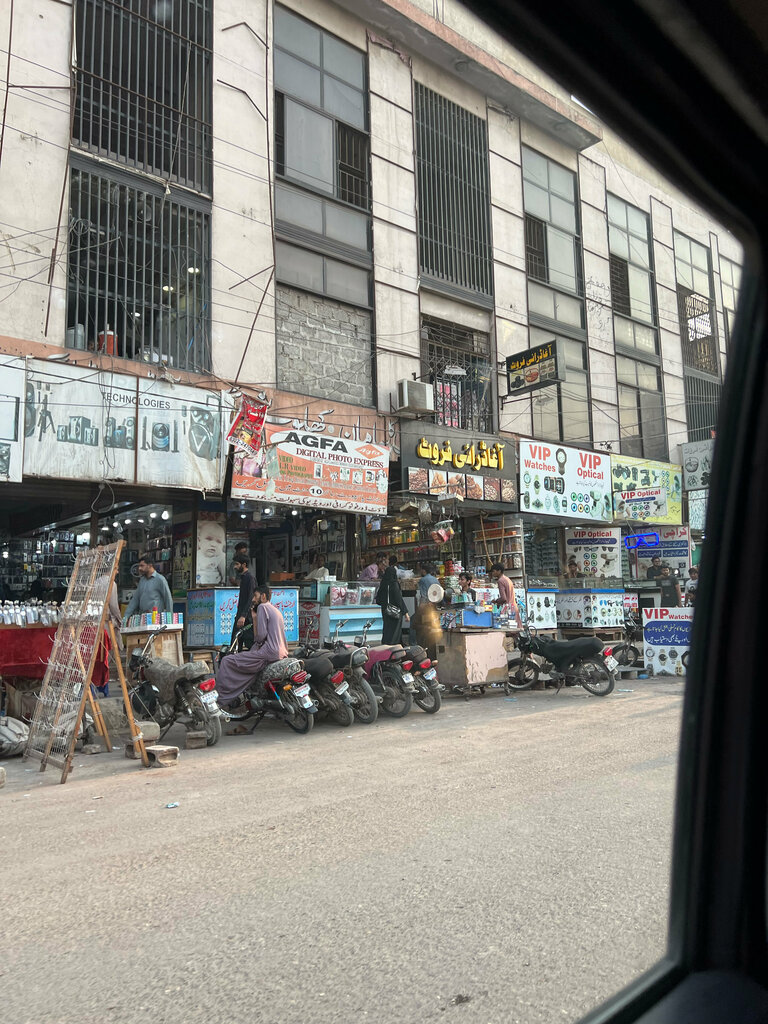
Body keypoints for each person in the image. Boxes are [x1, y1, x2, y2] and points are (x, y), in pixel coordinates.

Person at [216, 584, 289, 717]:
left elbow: (260, 636)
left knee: (227, 660)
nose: (253, 600)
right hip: (281, 652)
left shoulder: (262, 607)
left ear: (263, 596)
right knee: (251, 670)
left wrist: (255, 619)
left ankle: (221, 700)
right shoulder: (276, 610)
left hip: (269, 652)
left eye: (255, 597)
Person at [122, 554, 173, 622]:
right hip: (143, 618)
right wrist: (126, 617)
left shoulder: (160, 579)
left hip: (155, 619)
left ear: (150, 566)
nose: (139, 568)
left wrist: (170, 620)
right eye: (139, 566)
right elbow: (135, 600)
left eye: (142, 566)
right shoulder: (142, 580)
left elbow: (168, 599)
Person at [377, 554, 409, 644]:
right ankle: (394, 645)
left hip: (385, 610)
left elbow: (378, 598)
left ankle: (386, 643)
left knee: (387, 628)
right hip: (394, 611)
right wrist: (405, 612)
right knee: (395, 630)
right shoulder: (394, 584)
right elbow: (398, 599)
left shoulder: (383, 583)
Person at [490, 562, 522, 627]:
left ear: (499, 571)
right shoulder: (507, 579)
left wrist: (495, 601)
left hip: (508, 609)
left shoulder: (500, 581)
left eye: (493, 571)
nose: (492, 573)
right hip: (513, 607)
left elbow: (504, 598)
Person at [196, 519, 226, 585]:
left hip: (214, 586)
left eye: (218, 541)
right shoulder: (196, 555)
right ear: (199, 540)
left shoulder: (220, 557)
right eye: (209, 539)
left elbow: (225, 575)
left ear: (223, 545)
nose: (213, 544)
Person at [232, 554, 255, 638]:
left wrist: (243, 615)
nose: (235, 567)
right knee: (236, 641)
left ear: (244, 565)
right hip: (241, 614)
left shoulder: (250, 578)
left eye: (237, 564)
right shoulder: (244, 578)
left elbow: (250, 598)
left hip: (247, 617)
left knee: (249, 643)